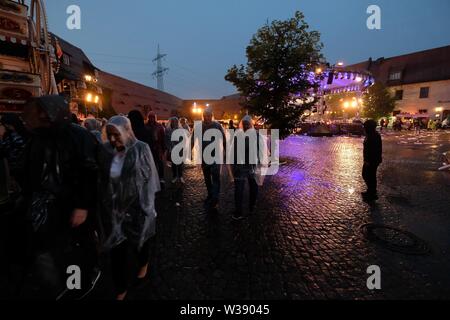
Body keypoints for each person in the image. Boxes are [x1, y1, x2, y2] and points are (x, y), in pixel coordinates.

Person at [20, 96, 100, 299]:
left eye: (44, 112)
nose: (40, 116)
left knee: (79, 245)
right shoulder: (39, 136)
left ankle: (81, 282)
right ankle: (62, 283)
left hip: (73, 204)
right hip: (49, 204)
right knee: (53, 245)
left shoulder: (77, 136)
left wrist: (82, 206)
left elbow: (89, 172)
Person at [99, 116, 160, 300]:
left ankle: (143, 265)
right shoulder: (106, 150)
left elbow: (149, 180)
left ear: (126, 131)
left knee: (140, 242)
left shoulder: (141, 148)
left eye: (116, 135)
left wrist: (148, 208)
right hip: (114, 210)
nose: (112, 140)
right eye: (109, 135)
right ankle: (120, 289)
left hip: (136, 208)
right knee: (117, 252)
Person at [193, 107, 226, 211]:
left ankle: (215, 198)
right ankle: (210, 194)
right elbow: (193, 139)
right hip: (204, 156)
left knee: (215, 177)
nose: (206, 117)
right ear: (203, 116)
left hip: (216, 156)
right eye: (205, 115)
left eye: (208, 115)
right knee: (207, 177)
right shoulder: (198, 126)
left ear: (211, 116)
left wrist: (226, 151)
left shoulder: (217, 126)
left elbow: (224, 139)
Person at [230, 115, 262, 221]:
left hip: (252, 166)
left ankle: (252, 207)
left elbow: (260, 149)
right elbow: (233, 151)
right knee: (238, 189)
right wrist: (233, 165)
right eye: (244, 124)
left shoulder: (256, 135)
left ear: (251, 124)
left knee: (254, 188)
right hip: (240, 166)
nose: (246, 126)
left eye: (247, 124)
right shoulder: (237, 135)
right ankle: (238, 211)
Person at [362, 120, 382, 202]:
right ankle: (370, 191)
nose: (364, 128)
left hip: (372, 160)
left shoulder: (373, 136)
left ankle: (372, 193)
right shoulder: (371, 134)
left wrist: (368, 160)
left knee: (368, 175)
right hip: (371, 159)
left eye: (365, 126)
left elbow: (373, 150)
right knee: (369, 175)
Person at [146, 112, 167, 187]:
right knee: (151, 163)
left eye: (153, 117)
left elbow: (163, 137)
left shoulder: (159, 126)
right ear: (148, 117)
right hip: (149, 147)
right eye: (150, 117)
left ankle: (161, 177)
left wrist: (164, 148)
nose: (151, 119)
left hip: (158, 148)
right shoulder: (145, 126)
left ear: (155, 118)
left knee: (160, 163)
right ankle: (152, 178)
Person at [165, 117, 186, 184]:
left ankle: (180, 176)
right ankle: (175, 176)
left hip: (179, 148)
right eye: (173, 122)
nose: (174, 123)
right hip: (172, 149)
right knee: (173, 164)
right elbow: (166, 140)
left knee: (180, 163)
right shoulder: (168, 130)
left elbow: (183, 139)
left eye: (176, 122)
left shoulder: (180, 129)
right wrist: (169, 148)